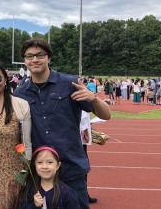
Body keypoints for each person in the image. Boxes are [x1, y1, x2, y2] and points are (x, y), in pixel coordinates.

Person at [14, 38, 111, 209]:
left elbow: (107, 115)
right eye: (29, 56)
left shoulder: (70, 84)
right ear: (24, 60)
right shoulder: (21, 93)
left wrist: (93, 98)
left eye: (40, 55)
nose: (34, 60)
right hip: (40, 170)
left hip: (70, 167)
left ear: (49, 58)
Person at [0, 61, 32, 209]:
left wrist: (27, 175)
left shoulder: (21, 105)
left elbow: (27, 143)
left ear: (5, 79)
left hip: (12, 175)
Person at [80, 111, 97, 204]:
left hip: (79, 134)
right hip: (80, 137)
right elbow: (81, 117)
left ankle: (84, 193)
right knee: (83, 166)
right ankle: (83, 194)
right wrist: (86, 131)